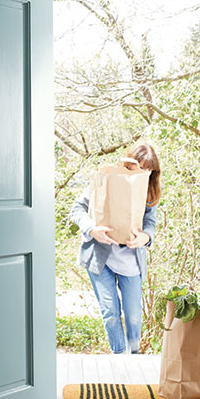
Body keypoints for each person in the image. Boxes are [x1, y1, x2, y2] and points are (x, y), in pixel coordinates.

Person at [70, 143, 161, 354]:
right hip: (100, 258)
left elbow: (151, 223)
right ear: (127, 164)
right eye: (136, 167)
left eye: (146, 170)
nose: (140, 173)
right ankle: (120, 357)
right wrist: (92, 229)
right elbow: (77, 209)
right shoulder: (106, 179)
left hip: (131, 261)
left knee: (133, 315)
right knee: (110, 312)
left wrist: (145, 237)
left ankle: (134, 354)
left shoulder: (150, 190)